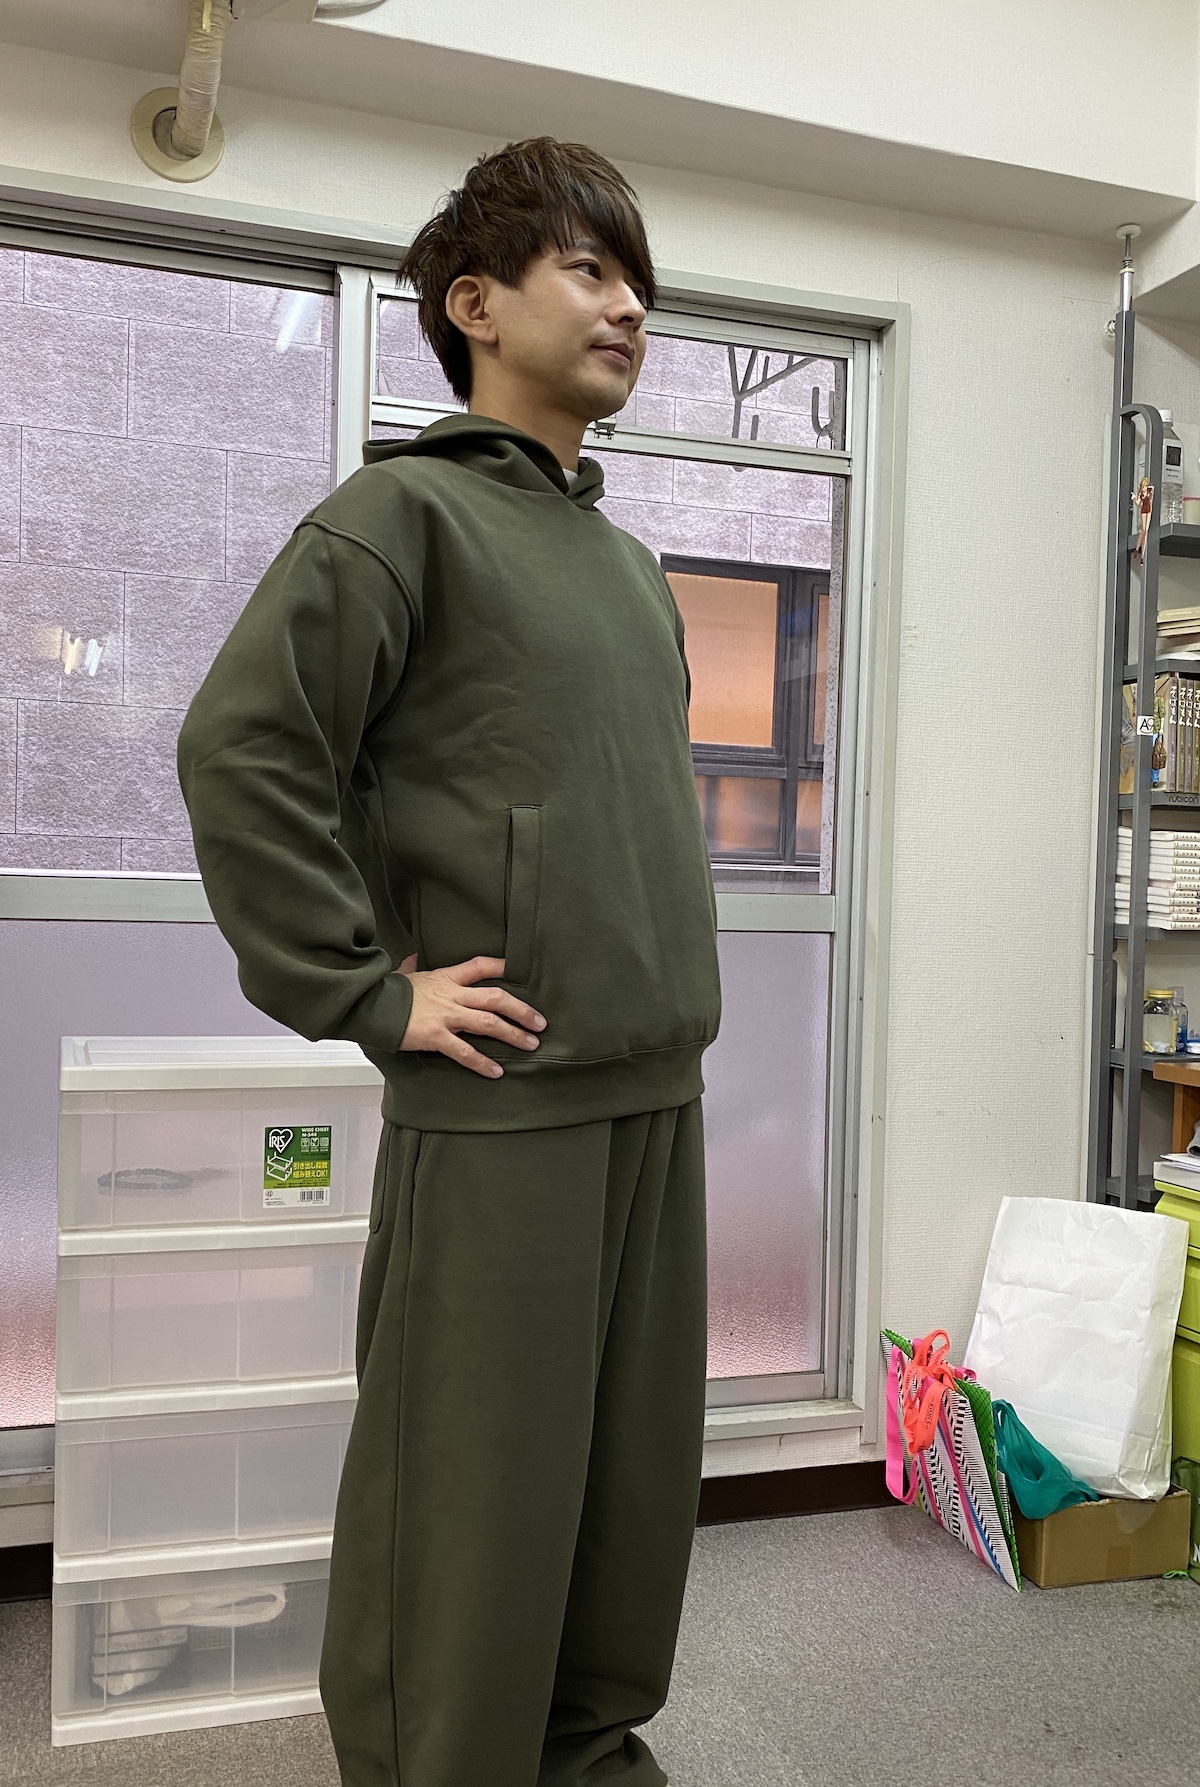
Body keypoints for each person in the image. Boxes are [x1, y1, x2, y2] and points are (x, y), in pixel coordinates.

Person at [177, 136, 721, 1787]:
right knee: (470, 1505)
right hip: (501, 1102)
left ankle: (587, 1755)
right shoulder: (397, 518)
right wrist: (367, 988)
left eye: (639, 282)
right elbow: (246, 750)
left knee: (624, 1500)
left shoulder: (628, 568)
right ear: (476, 306)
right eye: (590, 270)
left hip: (653, 1093)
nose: (629, 308)